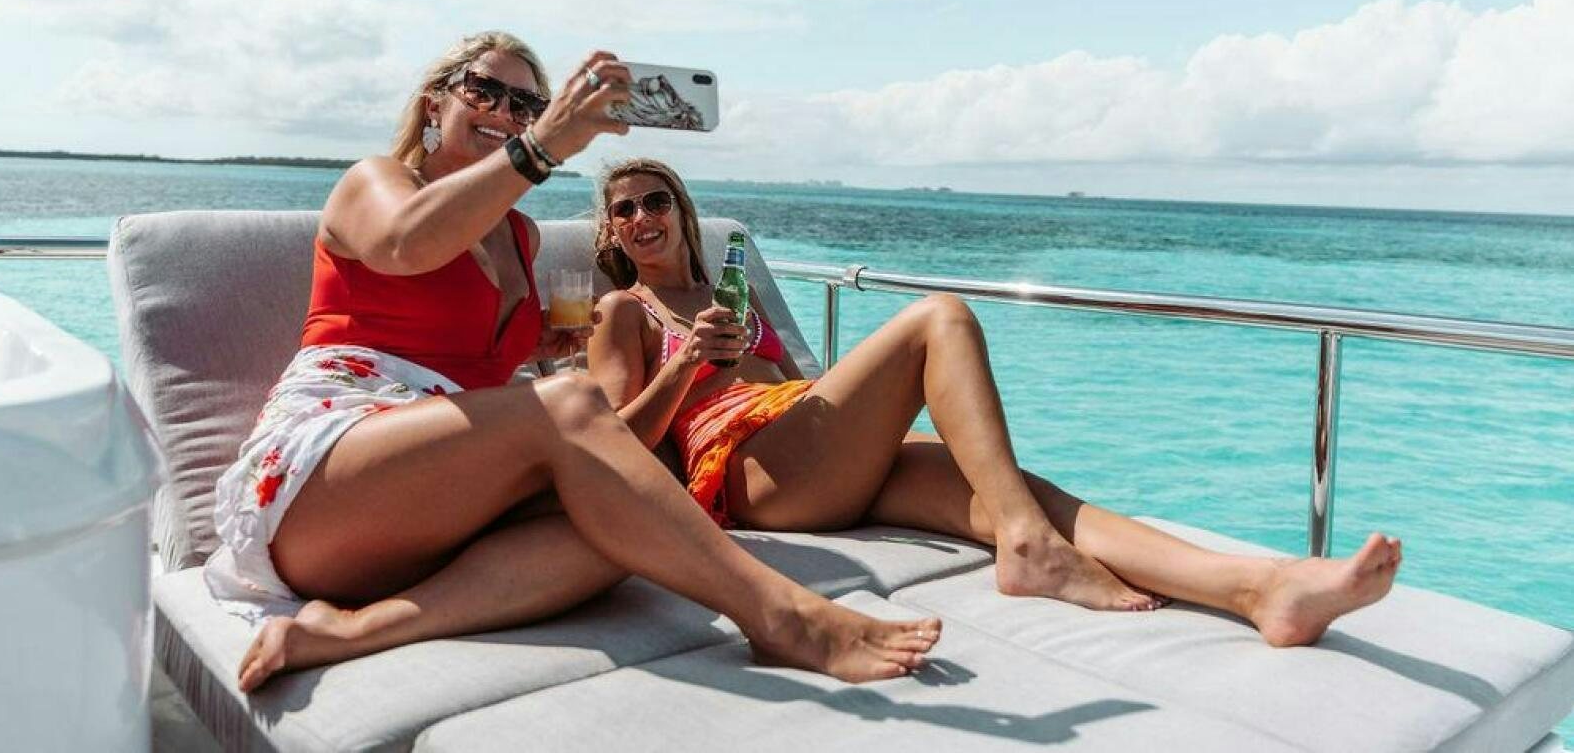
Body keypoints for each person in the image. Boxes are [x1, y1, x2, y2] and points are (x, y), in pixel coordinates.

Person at [206, 35, 940, 693]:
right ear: (435, 102)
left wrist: (535, 346)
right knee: (572, 406)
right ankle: (781, 615)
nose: (504, 109)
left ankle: (353, 631)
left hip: (428, 503)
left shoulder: (519, 234)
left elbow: (465, 357)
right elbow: (406, 246)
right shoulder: (378, 180)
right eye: (483, 89)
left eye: (525, 103)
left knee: (624, 526)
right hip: (328, 476)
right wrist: (543, 146)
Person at [587, 158, 1405, 647]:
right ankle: (1031, 552)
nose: (640, 216)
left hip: (808, 448)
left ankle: (1262, 590)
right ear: (612, 235)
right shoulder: (623, 311)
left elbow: (790, 391)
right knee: (939, 315)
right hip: (751, 477)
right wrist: (685, 363)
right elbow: (617, 442)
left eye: (654, 200)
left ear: (680, 213)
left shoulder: (731, 295)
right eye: (622, 209)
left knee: (1019, 489)